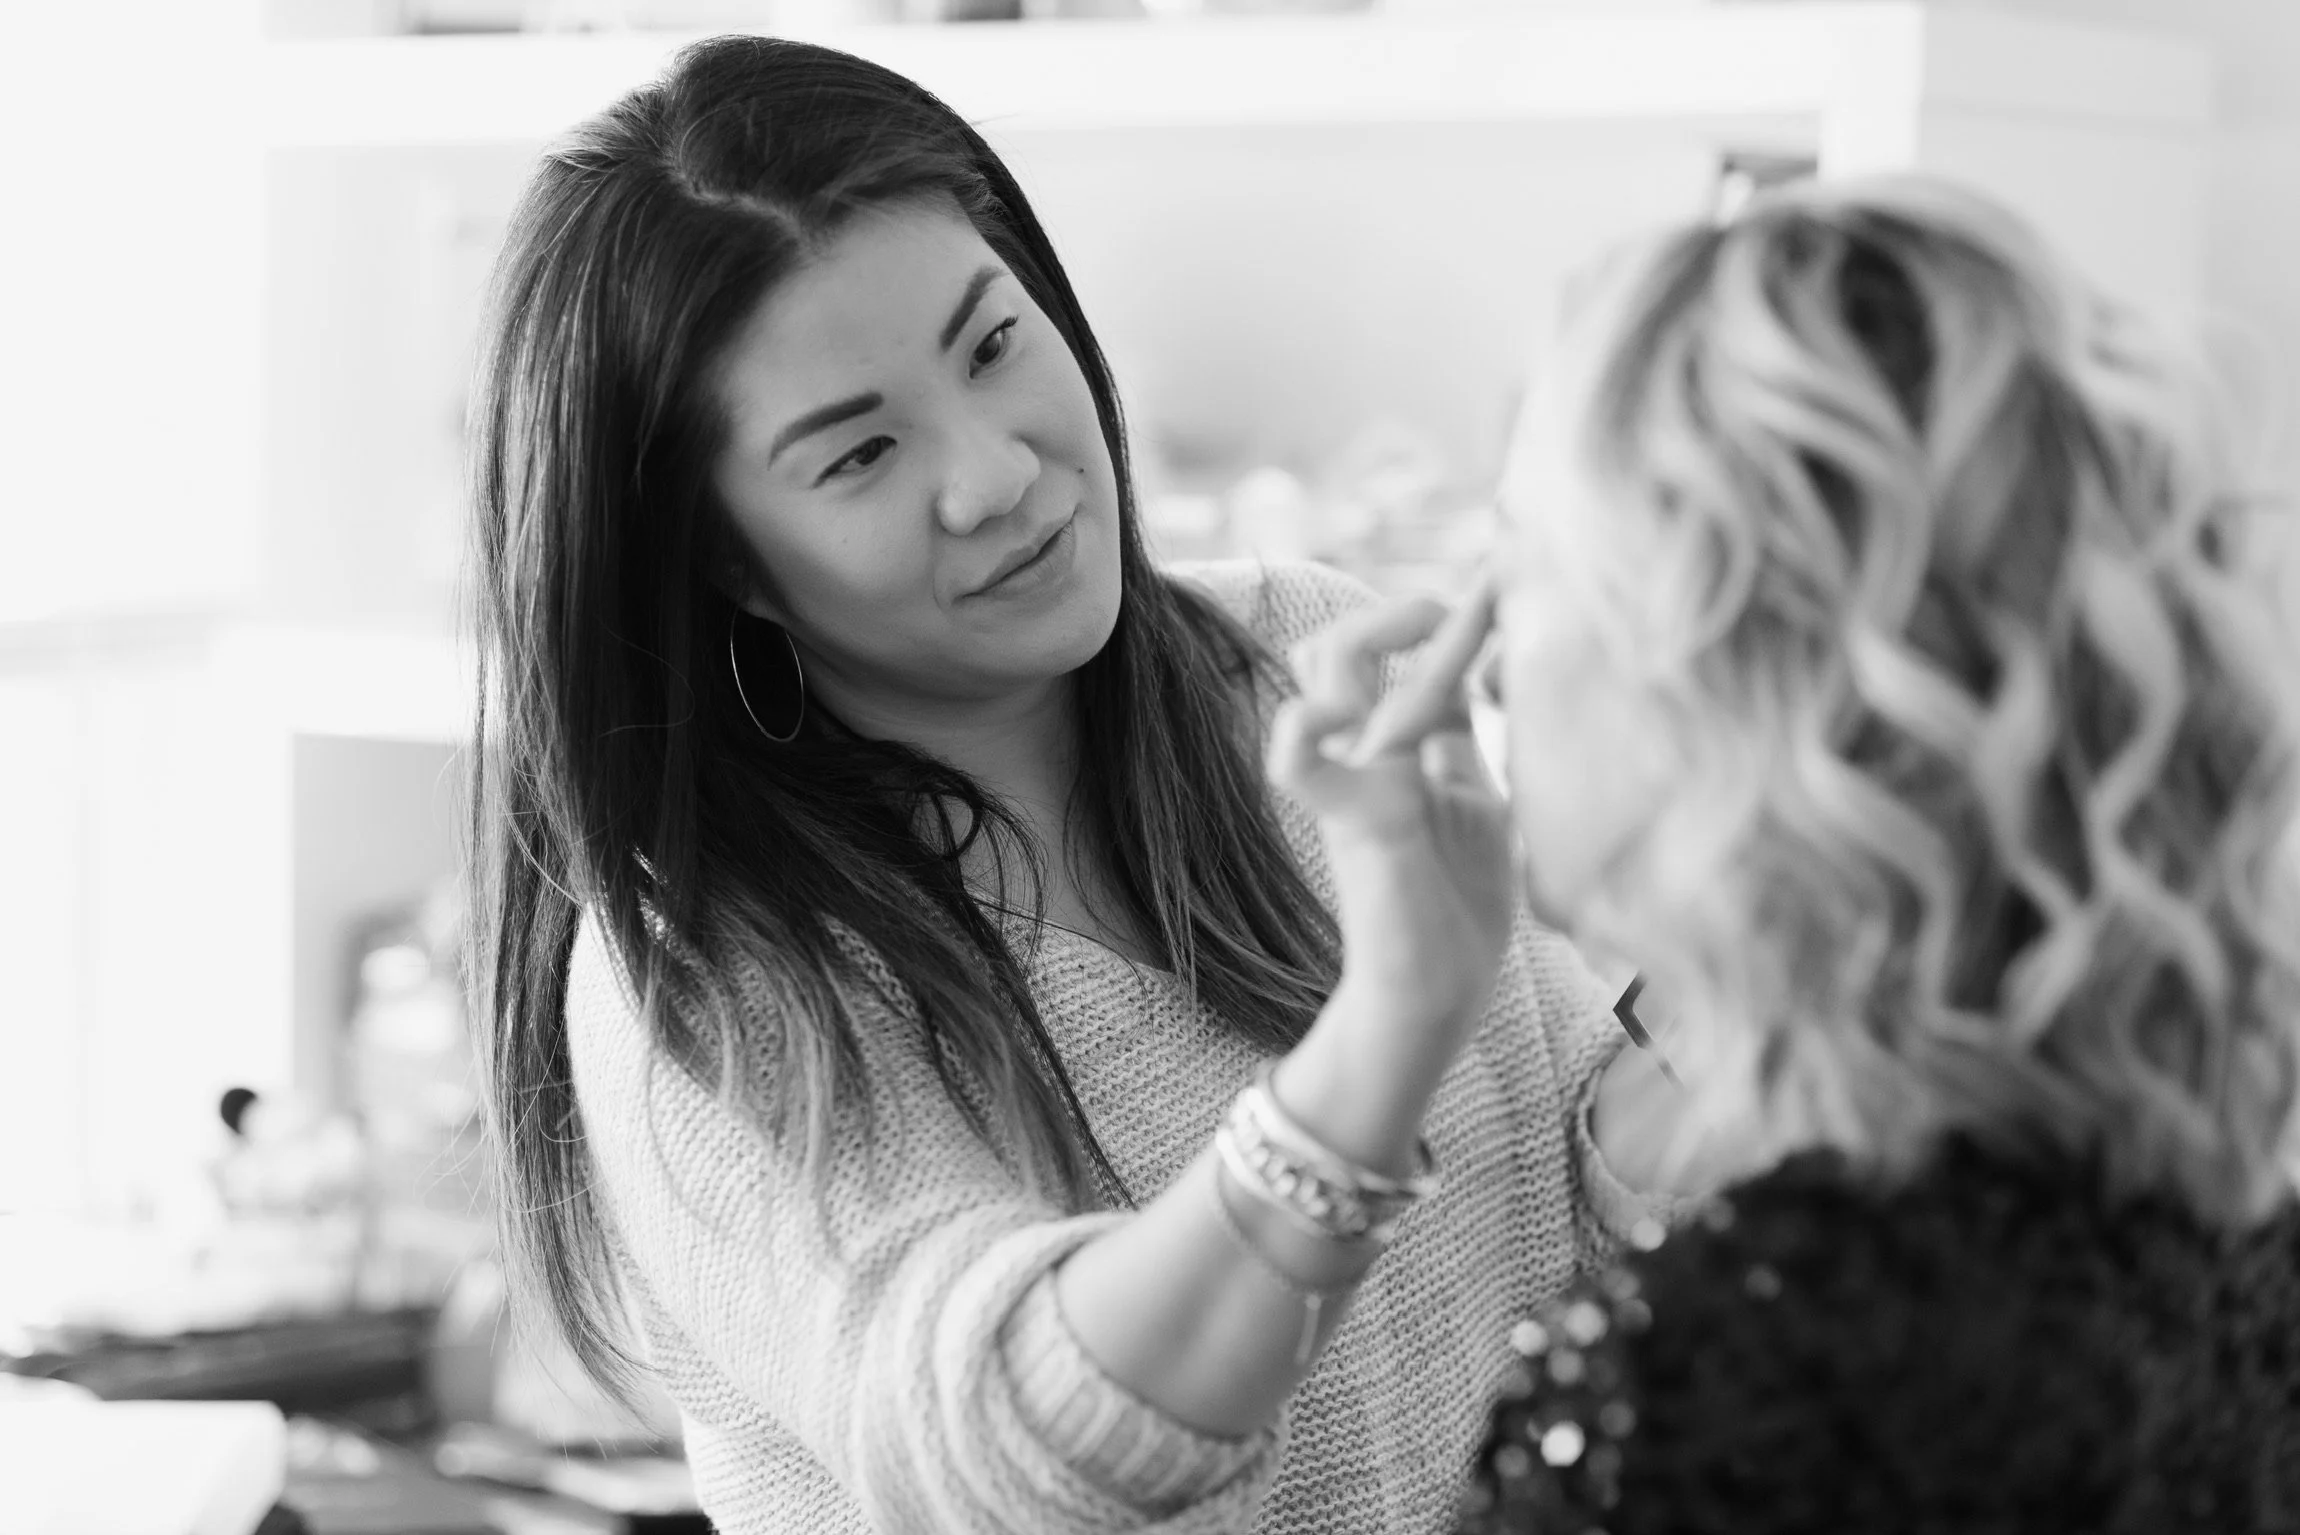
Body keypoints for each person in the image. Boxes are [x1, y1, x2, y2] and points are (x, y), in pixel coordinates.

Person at [464, 34, 1670, 1535]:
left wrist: (1764, 932)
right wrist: (1386, 1029)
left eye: (990, 344)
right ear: (720, 563)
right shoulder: (706, 972)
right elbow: (1018, 1453)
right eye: (859, 456)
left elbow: (1593, 1182)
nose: (999, 474)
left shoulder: (1299, 652)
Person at [1280, 175, 2300, 1531]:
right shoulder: (2224, 1227)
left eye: (1521, 567)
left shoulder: (1708, 1396)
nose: (1487, 663)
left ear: (1717, 687)